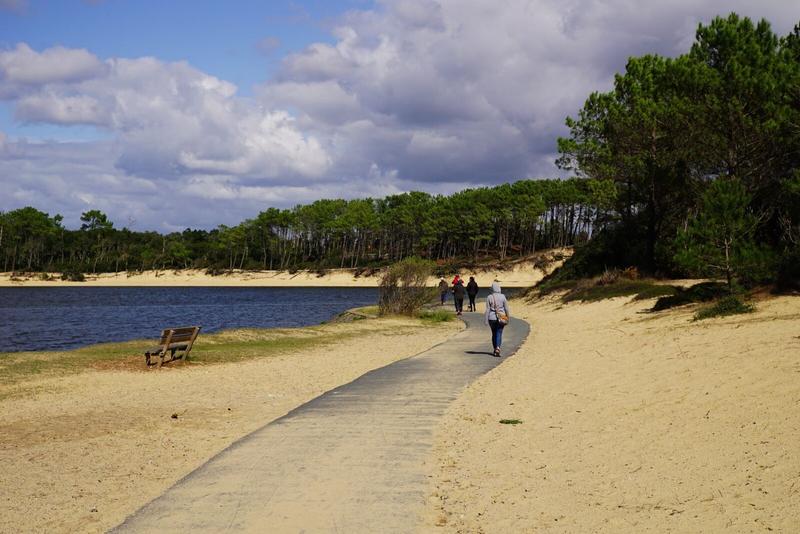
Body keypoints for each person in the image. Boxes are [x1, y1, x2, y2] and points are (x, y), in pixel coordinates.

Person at [484, 281, 510, 357]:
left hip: (491, 318)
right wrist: (508, 317)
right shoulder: (503, 296)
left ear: (492, 288)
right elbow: (506, 308)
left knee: (494, 333)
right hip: (501, 317)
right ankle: (498, 348)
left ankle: (495, 349)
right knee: (499, 333)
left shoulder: (489, 297)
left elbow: (487, 309)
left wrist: (486, 320)